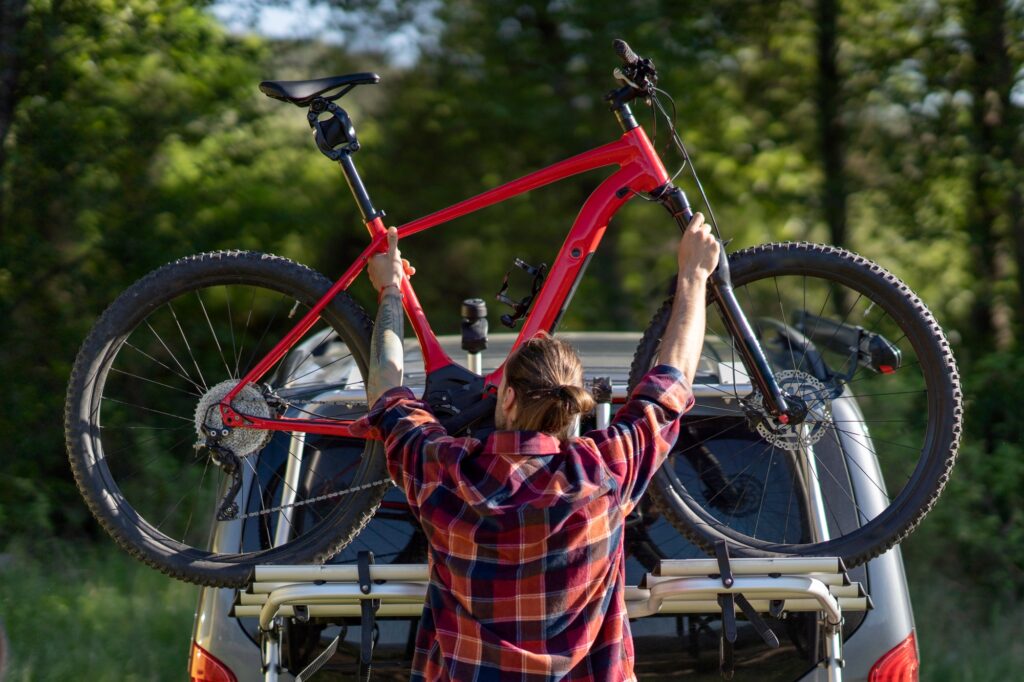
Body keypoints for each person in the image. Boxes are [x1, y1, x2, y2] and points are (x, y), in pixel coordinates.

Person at [352, 214, 719, 681]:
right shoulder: (603, 473)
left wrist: (389, 291)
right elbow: (672, 382)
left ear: (506, 397)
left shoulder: (444, 471)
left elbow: (386, 383)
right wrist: (694, 277)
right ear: (573, 406)